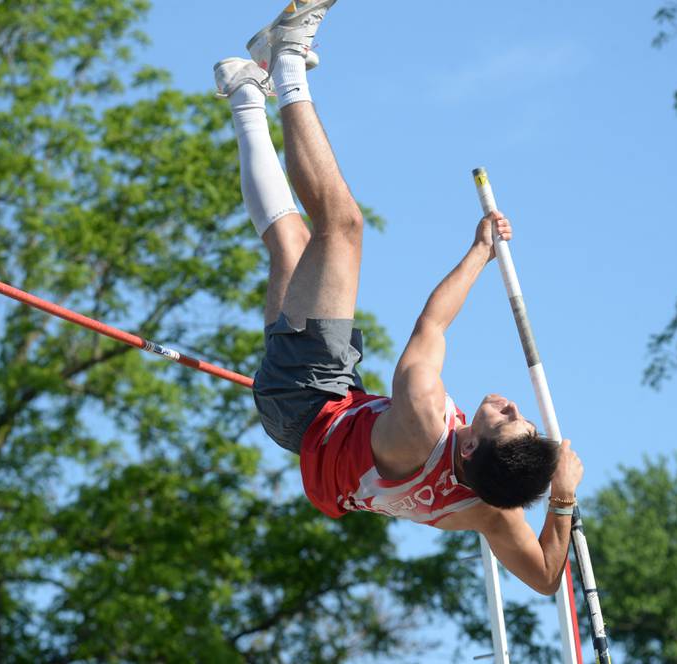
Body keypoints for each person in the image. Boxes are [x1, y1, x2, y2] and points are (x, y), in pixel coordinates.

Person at [215, 0, 584, 596]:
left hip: (314, 390)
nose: (511, 407)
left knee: (343, 227)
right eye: (522, 416)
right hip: (296, 424)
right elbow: (545, 576)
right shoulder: (486, 506)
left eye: (504, 421)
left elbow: (432, 324)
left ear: (467, 444)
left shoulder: (422, 415)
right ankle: (244, 94)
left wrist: (480, 251)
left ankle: (285, 57)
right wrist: (560, 499)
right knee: (293, 244)